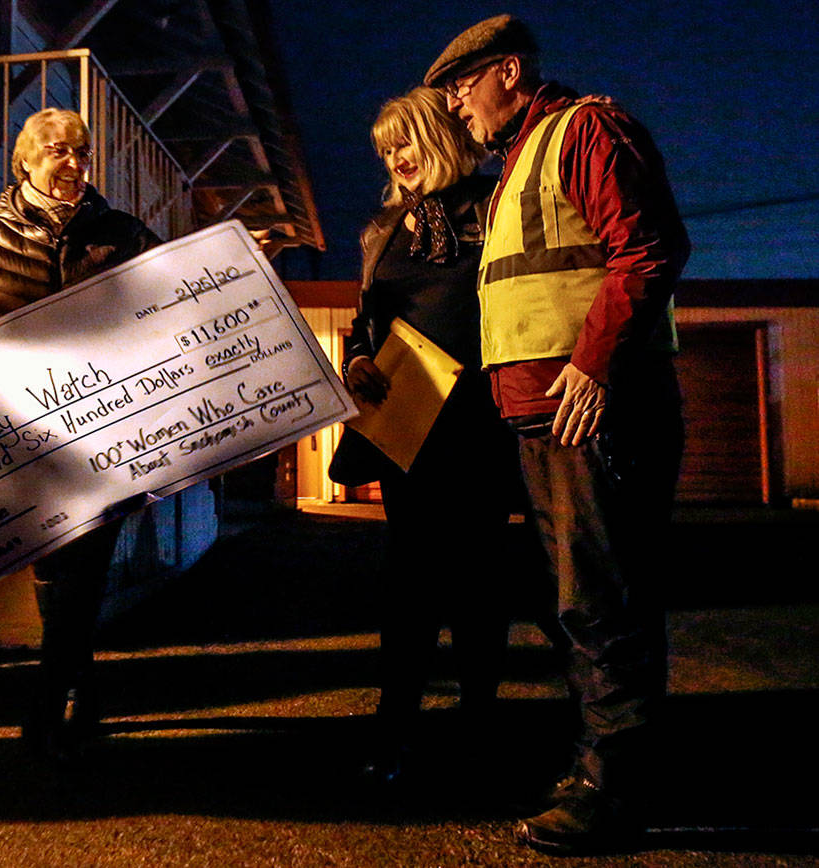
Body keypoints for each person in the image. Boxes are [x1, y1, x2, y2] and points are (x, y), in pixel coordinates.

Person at [423, 14, 688, 855]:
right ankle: (600, 770)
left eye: (462, 88)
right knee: (578, 602)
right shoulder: (514, 169)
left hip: (591, 410)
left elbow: (647, 249)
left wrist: (595, 363)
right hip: (544, 418)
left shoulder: (585, 130)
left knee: (602, 601)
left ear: (508, 71)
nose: (457, 107)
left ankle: (616, 792)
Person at [0, 108, 158, 760]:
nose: (75, 165)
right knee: (55, 561)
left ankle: (47, 698)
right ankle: (80, 685)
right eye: (60, 153)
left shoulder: (123, 232)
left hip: (106, 428)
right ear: (27, 161)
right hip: (24, 427)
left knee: (83, 561)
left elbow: (174, 290)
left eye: (82, 153)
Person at [332, 86, 517, 790]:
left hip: (480, 424)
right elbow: (365, 323)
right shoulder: (383, 226)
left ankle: (479, 726)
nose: (397, 159)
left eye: (405, 142)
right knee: (408, 583)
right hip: (406, 424)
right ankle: (394, 729)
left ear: (439, 134)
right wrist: (355, 362)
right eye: (386, 150)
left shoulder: (495, 205)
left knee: (477, 582)